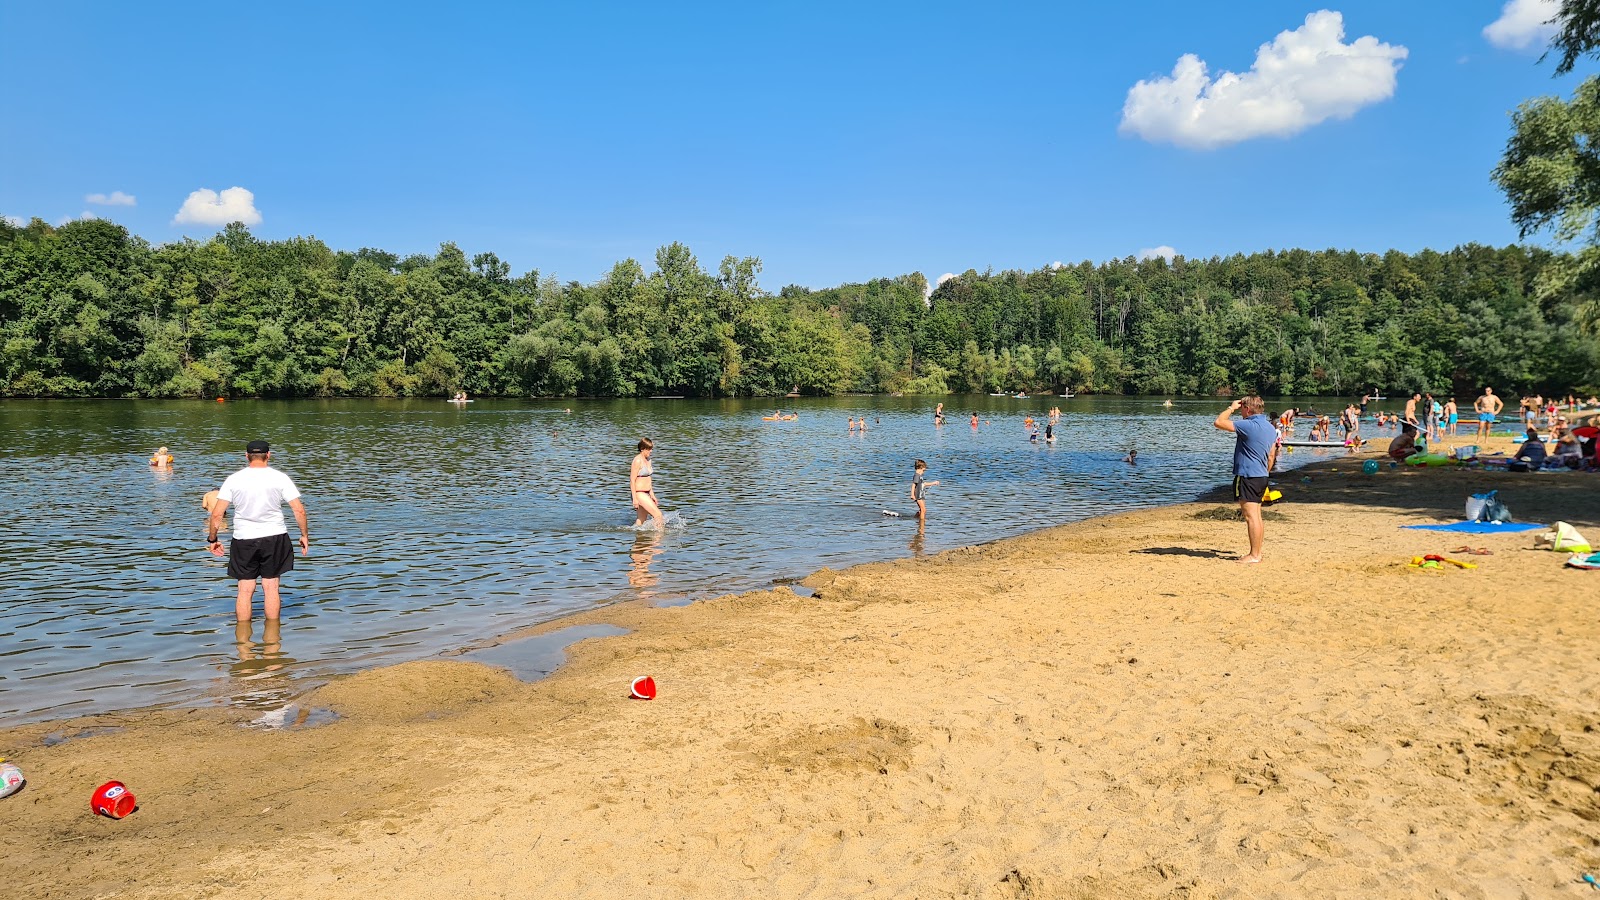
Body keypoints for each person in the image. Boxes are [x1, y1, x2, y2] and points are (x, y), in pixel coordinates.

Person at [206, 440, 310, 623]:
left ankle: (243, 645)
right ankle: (273, 642)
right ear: (268, 455)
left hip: (243, 539)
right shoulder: (280, 478)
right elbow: (299, 510)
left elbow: (217, 515)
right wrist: (304, 535)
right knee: (271, 587)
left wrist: (212, 539)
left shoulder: (234, 479)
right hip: (275, 537)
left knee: (245, 590)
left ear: (246, 456)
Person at [1213, 396, 1278, 564]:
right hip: (1262, 475)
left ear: (1248, 409)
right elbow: (1271, 455)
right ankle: (1257, 553)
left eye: (1242, 408)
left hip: (1249, 475)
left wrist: (1231, 407)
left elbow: (1219, 422)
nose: (1240, 411)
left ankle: (1254, 555)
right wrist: (1265, 472)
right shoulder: (1270, 428)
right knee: (1256, 515)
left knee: (1251, 516)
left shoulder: (1248, 424)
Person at [630, 438, 664, 530]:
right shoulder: (637, 460)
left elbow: (648, 478)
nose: (651, 451)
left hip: (646, 493)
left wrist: (652, 494)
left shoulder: (648, 460)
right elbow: (632, 480)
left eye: (651, 449)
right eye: (649, 449)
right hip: (639, 493)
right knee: (658, 515)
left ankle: (638, 542)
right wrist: (635, 499)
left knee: (641, 520)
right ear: (642, 449)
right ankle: (657, 540)